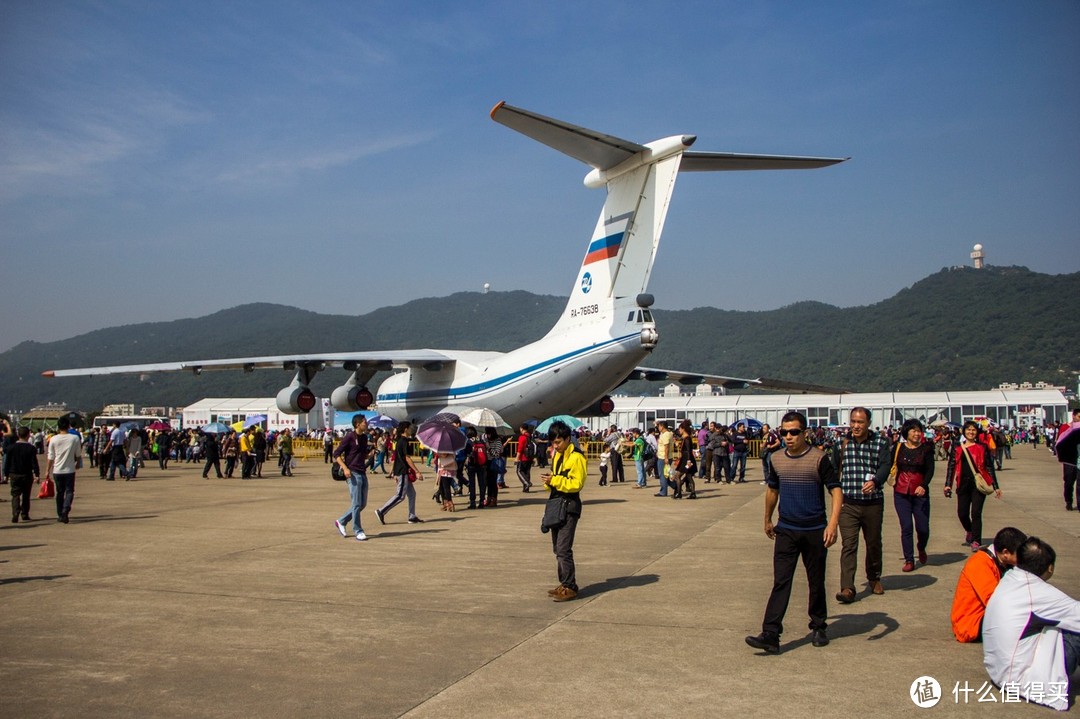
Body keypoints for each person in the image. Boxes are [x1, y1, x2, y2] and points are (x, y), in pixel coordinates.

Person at [745, 411, 841, 655]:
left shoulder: (820, 459)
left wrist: (833, 524)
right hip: (786, 529)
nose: (789, 437)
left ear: (805, 432)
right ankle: (770, 633)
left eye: (794, 432)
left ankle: (818, 625)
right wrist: (767, 518)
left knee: (816, 580)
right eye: (784, 432)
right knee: (781, 581)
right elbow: (773, 491)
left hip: (814, 530)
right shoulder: (776, 459)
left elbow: (835, 491)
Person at [983, 537, 1080, 711]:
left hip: (998, 671)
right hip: (1021, 679)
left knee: (1062, 621)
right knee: (1075, 631)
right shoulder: (1037, 591)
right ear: (1050, 568)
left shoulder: (1010, 577)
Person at [830, 407, 892, 603]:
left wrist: (875, 482)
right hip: (848, 504)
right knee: (849, 544)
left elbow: (885, 465)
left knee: (873, 542)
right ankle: (847, 587)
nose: (856, 426)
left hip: (873, 503)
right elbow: (833, 468)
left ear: (868, 423)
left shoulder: (881, 442)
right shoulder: (841, 443)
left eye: (860, 422)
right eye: (853, 422)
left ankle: (874, 577)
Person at [951, 526, 1026, 642]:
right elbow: (993, 600)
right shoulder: (980, 563)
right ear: (1005, 553)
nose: (1023, 559)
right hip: (971, 624)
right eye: (1020, 555)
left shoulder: (1000, 562)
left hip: (986, 616)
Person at [542, 420, 587, 602]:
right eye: (553, 442)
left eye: (559, 442)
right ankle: (565, 583)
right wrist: (549, 482)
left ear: (568, 439)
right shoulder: (557, 456)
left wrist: (555, 481)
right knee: (557, 548)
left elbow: (577, 484)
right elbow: (557, 480)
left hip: (570, 506)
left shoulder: (577, 457)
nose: (555, 446)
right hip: (557, 504)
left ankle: (569, 586)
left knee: (563, 548)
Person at [945, 420, 1002, 551]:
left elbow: (989, 467)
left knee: (976, 513)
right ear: (964, 431)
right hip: (963, 483)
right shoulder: (957, 446)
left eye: (973, 430)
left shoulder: (982, 447)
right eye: (968, 430)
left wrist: (996, 486)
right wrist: (948, 484)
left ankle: (976, 540)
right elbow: (951, 466)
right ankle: (969, 530)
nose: (971, 432)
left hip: (979, 484)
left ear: (977, 432)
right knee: (962, 513)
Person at [892, 418, 935, 573]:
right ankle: (909, 559)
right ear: (906, 432)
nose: (917, 434)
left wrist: (923, 485)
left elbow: (930, 470)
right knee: (906, 527)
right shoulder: (898, 448)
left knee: (923, 528)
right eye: (913, 430)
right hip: (901, 492)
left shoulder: (926, 449)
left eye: (919, 431)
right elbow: (888, 465)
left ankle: (921, 547)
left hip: (920, 493)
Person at [375, 421, 425, 525]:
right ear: (405, 429)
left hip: (403, 471)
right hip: (402, 471)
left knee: (412, 494)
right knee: (400, 495)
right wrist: (417, 471)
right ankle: (381, 511)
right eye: (410, 427)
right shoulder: (403, 441)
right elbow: (407, 458)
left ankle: (412, 516)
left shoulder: (402, 441)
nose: (412, 429)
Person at [334, 415, 371, 540]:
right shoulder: (350, 436)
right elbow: (336, 453)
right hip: (353, 473)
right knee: (356, 504)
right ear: (357, 424)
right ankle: (358, 530)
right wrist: (344, 468)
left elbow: (361, 455)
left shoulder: (364, 437)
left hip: (362, 472)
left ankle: (341, 521)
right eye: (364, 422)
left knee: (362, 504)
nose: (366, 424)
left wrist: (370, 454)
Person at [46, 414, 82, 523]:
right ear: (68, 426)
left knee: (60, 493)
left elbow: (50, 457)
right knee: (69, 491)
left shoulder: (53, 439)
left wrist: (47, 470)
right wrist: (77, 464)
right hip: (69, 470)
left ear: (58, 427)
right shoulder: (74, 438)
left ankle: (60, 513)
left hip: (57, 470)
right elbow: (78, 454)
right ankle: (66, 510)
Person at [5, 426, 40, 522]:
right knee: (26, 495)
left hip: (14, 474)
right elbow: (34, 463)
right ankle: (24, 514)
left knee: (15, 495)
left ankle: (15, 513)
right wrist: (37, 474)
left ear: (18, 435)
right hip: (26, 474)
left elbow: (7, 462)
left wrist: (6, 474)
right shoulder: (31, 448)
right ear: (28, 435)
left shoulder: (11, 448)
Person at [672, 420, 697, 499]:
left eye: (680, 429)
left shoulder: (687, 439)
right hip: (686, 459)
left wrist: (689, 461)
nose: (679, 430)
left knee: (677, 476)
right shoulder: (686, 438)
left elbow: (689, 450)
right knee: (689, 477)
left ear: (683, 429)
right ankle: (692, 493)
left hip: (686, 460)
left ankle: (679, 493)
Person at [1063, 409, 1080, 510]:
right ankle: (1068, 501)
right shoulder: (1066, 428)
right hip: (1070, 461)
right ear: (1073, 416)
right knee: (1069, 482)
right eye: (1079, 416)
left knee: (1079, 484)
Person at [511, 424, 534, 492]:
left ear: (521, 429)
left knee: (519, 471)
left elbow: (520, 449)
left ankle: (527, 483)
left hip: (523, 457)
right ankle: (526, 488)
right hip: (529, 457)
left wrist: (517, 458)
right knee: (527, 472)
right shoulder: (530, 436)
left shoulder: (522, 437)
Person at [655, 421, 674, 492]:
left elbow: (666, 446)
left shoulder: (666, 434)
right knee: (666, 475)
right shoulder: (667, 434)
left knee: (663, 475)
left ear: (662, 426)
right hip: (663, 456)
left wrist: (666, 457)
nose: (658, 428)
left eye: (659, 426)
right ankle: (676, 486)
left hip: (663, 457)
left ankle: (663, 491)